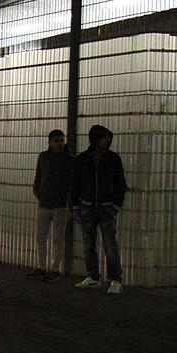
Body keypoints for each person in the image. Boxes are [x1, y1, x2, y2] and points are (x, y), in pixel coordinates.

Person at [69, 124, 128, 294]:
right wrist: (74, 207)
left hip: (105, 207)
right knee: (90, 244)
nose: (108, 141)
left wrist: (115, 205)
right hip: (88, 207)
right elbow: (75, 185)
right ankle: (94, 276)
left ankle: (114, 279)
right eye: (104, 137)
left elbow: (120, 184)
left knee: (109, 245)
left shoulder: (113, 159)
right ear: (96, 139)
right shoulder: (82, 160)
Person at [27, 129, 73, 282]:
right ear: (50, 143)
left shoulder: (68, 159)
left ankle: (53, 269)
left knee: (57, 238)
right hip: (46, 202)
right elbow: (38, 176)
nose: (59, 143)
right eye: (56, 141)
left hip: (58, 204)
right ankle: (42, 267)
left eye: (61, 141)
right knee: (41, 237)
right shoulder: (44, 157)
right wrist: (37, 191)